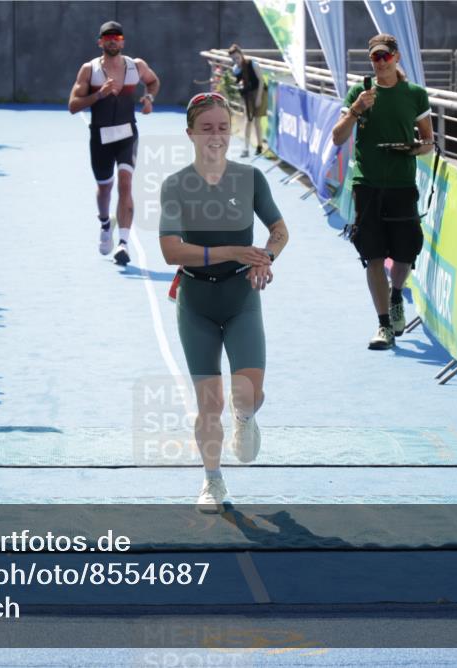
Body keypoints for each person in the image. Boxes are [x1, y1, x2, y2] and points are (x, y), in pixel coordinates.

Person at [159, 92, 289, 513]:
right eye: (207, 129)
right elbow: (171, 252)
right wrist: (234, 251)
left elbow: (280, 231)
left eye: (223, 128)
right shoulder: (176, 185)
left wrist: (264, 258)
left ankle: (247, 418)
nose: (216, 137)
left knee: (248, 394)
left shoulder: (250, 178)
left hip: (241, 298)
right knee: (209, 402)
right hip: (195, 300)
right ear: (191, 134)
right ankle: (212, 481)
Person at [330, 34, 433, 350]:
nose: (380, 62)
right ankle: (384, 325)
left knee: (405, 252)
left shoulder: (415, 94)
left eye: (385, 56)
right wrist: (355, 111)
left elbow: (428, 141)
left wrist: (415, 149)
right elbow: (337, 138)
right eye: (375, 57)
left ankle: (397, 293)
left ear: (397, 58)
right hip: (368, 184)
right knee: (372, 255)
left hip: (402, 183)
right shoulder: (358, 93)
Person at [68, 21, 159, 266]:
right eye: (107, 37)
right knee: (105, 188)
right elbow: (73, 106)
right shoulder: (89, 70)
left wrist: (149, 98)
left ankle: (123, 244)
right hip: (100, 136)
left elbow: (153, 81)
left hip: (128, 133)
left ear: (122, 41)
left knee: (126, 183)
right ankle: (105, 223)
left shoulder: (135, 66)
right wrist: (99, 95)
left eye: (116, 37)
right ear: (100, 42)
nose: (112, 40)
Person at [227, 44, 266, 157]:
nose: (236, 60)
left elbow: (261, 81)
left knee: (257, 121)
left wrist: (258, 97)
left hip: (259, 92)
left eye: (237, 58)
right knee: (248, 121)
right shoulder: (236, 69)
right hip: (247, 96)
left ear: (241, 55)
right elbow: (239, 86)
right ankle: (246, 148)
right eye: (233, 59)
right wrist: (242, 99)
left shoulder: (253, 64)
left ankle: (259, 146)